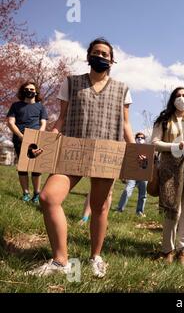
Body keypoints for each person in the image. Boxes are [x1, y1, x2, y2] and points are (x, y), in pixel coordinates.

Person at [26, 38, 137, 278]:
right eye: (96, 52)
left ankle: (96, 257)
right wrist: (45, 142)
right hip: (72, 151)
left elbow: (126, 124)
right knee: (47, 197)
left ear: (112, 59)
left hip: (106, 154)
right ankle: (60, 261)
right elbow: (62, 119)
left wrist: (137, 152)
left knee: (99, 207)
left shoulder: (122, 89)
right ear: (88, 56)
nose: (100, 56)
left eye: (105, 53)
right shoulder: (71, 83)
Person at [151, 87, 184, 265]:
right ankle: (167, 250)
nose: (182, 98)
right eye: (178, 96)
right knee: (173, 210)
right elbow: (155, 143)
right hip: (169, 169)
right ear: (173, 99)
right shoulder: (164, 121)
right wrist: (174, 146)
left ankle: (183, 250)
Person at [6, 81, 48, 203]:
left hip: (36, 139)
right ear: (22, 91)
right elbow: (10, 122)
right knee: (23, 167)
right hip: (20, 139)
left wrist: (38, 135)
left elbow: (43, 123)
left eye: (32, 89)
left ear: (36, 92)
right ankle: (25, 193)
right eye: (27, 89)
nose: (29, 91)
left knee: (36, 168)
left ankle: (36, 194)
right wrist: (20, 136)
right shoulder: (15, 106)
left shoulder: (41, 107)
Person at [115, 132, 148, 217]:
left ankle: (140, 212)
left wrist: (145, 159)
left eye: (142, 137)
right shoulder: (130, 149)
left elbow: (152, 163)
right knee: (127, 190)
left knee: (143, 194)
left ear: (145, 140)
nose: (140, 139)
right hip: (132, 175)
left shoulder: (149, 150)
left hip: (143, 175)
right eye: (138, 137)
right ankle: (119, 209)